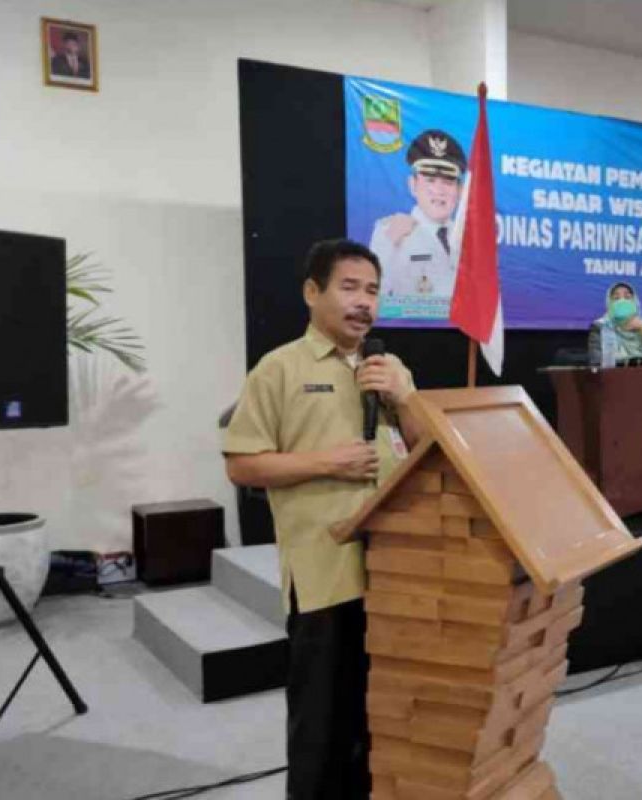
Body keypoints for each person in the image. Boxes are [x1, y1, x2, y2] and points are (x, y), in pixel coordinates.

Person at [222, 239, 421, 800]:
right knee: (321, 723)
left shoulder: (389, 367)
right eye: (350, 288)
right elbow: (241, 465)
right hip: (324, 575)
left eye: (374, 291)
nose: (364, 302)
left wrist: (405, 399)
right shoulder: (278, 370)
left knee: (379, 714)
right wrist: (324, 463)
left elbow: (428, 452)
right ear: (313, 293)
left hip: (395, 567)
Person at [369, 129, 467, 302]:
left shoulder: (468, 238)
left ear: (459, 191)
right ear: (413, 185)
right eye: (430, 180)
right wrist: (388, 245)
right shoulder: (390, 231)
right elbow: (374, 294)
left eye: (448, 182)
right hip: (412, 328)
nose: (439, 191)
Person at [587, 281, 642, 365]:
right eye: (616, 298)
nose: (622, 301)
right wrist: (641, 365)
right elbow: (597, 363)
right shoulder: (601, 326)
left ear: (635, 302)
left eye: (627, 297)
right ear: (609, 303)